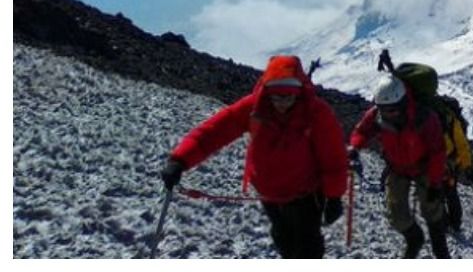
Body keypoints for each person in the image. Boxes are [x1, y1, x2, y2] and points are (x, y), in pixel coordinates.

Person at [160, 55, 347, 258]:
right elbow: (213, 132)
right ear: (267, 92)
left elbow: (333, 157)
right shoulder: (254, 107)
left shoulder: (316, 113)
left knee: (307, 246)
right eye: (276, 97)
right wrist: (180, 160)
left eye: (288, 97)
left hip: (306, 196)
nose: (282, 103)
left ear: (299, 92)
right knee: (283, 238)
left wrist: (334, 197)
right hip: (269, 194)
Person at [349, 76, 450, 258]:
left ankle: (440, 248)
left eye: (392, 110)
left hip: (424, 168)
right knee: (396, 214)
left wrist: (435, 183)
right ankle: (415, 238)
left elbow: (437, 152)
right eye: (384, 109)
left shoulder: (424, 118)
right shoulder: (377, 114)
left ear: (403, 103)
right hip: (397, 168)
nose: (388, 114)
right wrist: (355, 147)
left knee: (431, 209)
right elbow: (362, 131)